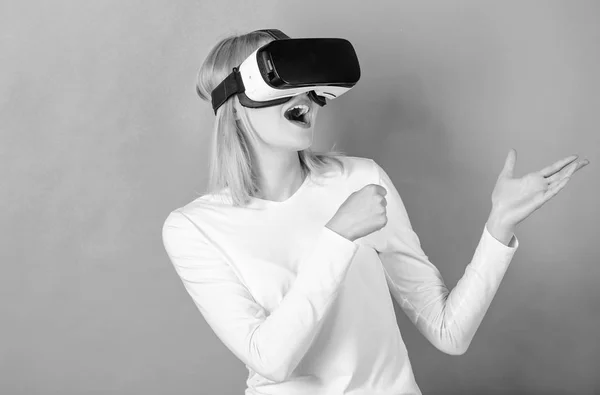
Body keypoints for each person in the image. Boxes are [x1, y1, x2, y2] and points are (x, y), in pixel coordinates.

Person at [161, 29, 589, 395]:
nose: (307, 97)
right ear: (236, 100)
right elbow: (270, 359)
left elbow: (449, 332)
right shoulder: (194, 228)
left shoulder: (361, 179)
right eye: (285, 77)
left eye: (310, 82)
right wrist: (337, 236)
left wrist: (499, 226)